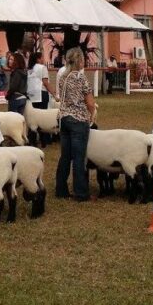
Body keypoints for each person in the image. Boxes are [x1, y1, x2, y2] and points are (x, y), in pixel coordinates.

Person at [55, 47, 95, 202]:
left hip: (63, 118)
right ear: (79, 61)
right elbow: (90, 103)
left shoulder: (63, 76)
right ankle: (81, 193)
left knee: (65, 156)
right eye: (83, 58)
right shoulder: (81, 78)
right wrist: (91, 116)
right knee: (79, 158)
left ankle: (61, 189)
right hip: (78, 119)